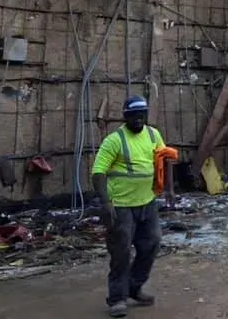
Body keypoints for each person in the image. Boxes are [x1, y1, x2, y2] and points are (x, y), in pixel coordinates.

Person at [92, 95, 166, 317]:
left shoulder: (154, 135)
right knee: (121, 252)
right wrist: (106, 203)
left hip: (147, 203)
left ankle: (134, 286)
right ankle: (117, 298)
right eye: (134, 115)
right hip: (122, 206)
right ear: (126, 117)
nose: (138, 119)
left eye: (141, 114)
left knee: (151, 244)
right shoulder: (114, 140)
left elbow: (164, 161)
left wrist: (169, 189)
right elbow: (98, 172)